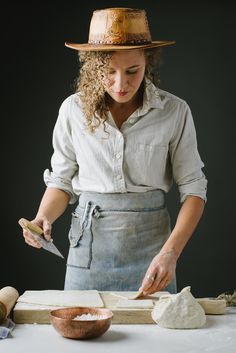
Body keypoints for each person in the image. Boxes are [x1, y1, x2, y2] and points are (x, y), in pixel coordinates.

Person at [21, 8, 207, 295]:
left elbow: (195, 190)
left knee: (157, 338)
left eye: (133, 71)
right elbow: (61, 180)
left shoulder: (175, 111)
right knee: (83, 330)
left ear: (148, 60)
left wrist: (171, 253)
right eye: (109, 72)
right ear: (93, 67)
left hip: (153, 253)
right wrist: (42, 217)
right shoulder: (73, 109)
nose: (121, 84)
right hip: (88, 251)